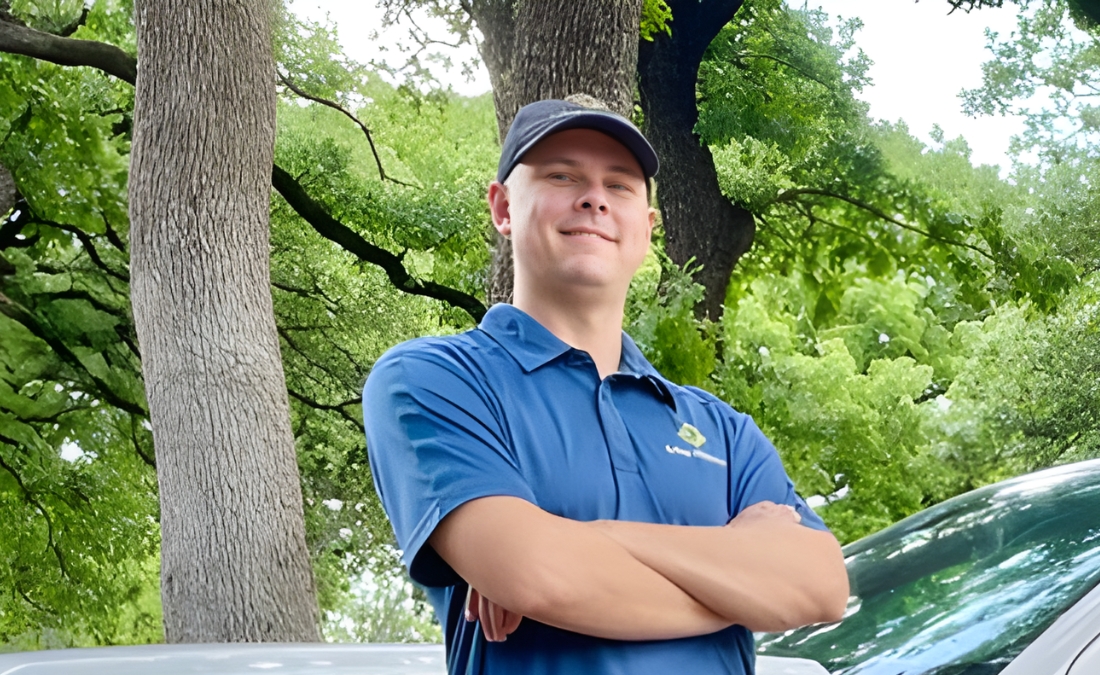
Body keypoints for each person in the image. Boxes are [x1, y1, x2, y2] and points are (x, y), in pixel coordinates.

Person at [363, 97, 849, 674]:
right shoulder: (433, 379)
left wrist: (586, 538)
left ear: (646, 229)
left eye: (619, 186)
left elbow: (820, 588)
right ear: (502, 207)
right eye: (561, 175)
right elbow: (539, 576)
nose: (593, 198)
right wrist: (742, 577)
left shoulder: (723, 430)